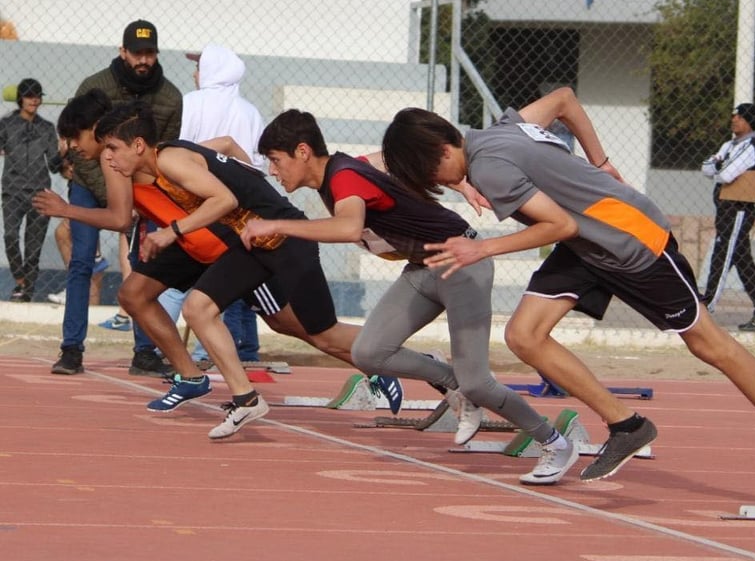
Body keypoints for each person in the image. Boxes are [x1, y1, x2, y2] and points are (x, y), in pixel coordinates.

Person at [381, 88, 755, 514]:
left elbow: (558, 226)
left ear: (440, 153)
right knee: (525, 335)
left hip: (631, 239)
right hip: (588, 245)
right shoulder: (499, 130)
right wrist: (602, 163)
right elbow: (563, 100)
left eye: (428, 177)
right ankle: (627, 425)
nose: (436, 186)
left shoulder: (490, 169)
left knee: (709, 345)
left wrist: (481, 248)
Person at [240, 109, 579, 484]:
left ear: (302, 151)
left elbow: (349, 227)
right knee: (368, 351)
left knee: (479, 383)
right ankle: (451, 381)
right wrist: (460, 185)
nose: (273, 171)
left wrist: (276, 224)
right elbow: (395, 159)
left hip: (461, 263)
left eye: (275, 160)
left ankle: (554, 442)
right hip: (423, 268)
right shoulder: (347, 168)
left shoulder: (345, 177)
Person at [38, 98, 405, 436]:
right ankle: (211, 385)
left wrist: (175, 226)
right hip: (201, 240)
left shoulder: (152, 157)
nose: (75, 148)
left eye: (75, 138)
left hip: (245, 237)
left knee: (303, 327)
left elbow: (136, 213)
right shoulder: (141, 156)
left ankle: (392, 364)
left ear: (124, 141)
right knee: (139, 295)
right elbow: (224, 147)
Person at [50, 19, 183, 376]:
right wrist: (112, 192)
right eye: (137, 53)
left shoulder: (170, 97)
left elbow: (159, 153)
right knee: (81, 262)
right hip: (91, 182)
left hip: (142, 189)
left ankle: (144, 351)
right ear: (122, 52)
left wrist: (134, 196)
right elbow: (79, 148)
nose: (144, 60)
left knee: (144, 265)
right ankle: (71, 349)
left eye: (150, 53)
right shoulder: (94, 86)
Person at [179, 44, 266, 363]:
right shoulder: (250, 111)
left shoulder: (189, 104)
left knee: (203, 277)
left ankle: (206, 350)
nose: (194, 73)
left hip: (199, 202)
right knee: (239, 275)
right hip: (242, 204)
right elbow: (257, 163)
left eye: (199, 67)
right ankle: (246, 348)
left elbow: (177, 151)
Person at [700, 103, 755, 332]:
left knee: (722, 255)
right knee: (743, 262)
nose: (734, 120)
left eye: (739, 117)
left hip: (738, 210)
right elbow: (706, 168)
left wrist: (720, 164)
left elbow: (724, 173)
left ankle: (706, 305)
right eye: (733, 116)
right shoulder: (730, 144)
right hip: (725, 209)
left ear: (748, 121)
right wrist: (720, 165)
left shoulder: (751, 145)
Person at [0, 78, 60, 301]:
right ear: (20, 99)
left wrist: (63, 152)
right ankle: (20, 281)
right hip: (12, 191)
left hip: (39, 191)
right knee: (10, 236)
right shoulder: (6, 124)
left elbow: (54, 165)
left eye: (38, 95)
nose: (34, 99)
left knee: (34, 247)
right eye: (29, 95)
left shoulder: (46, 128)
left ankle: (27, 291)